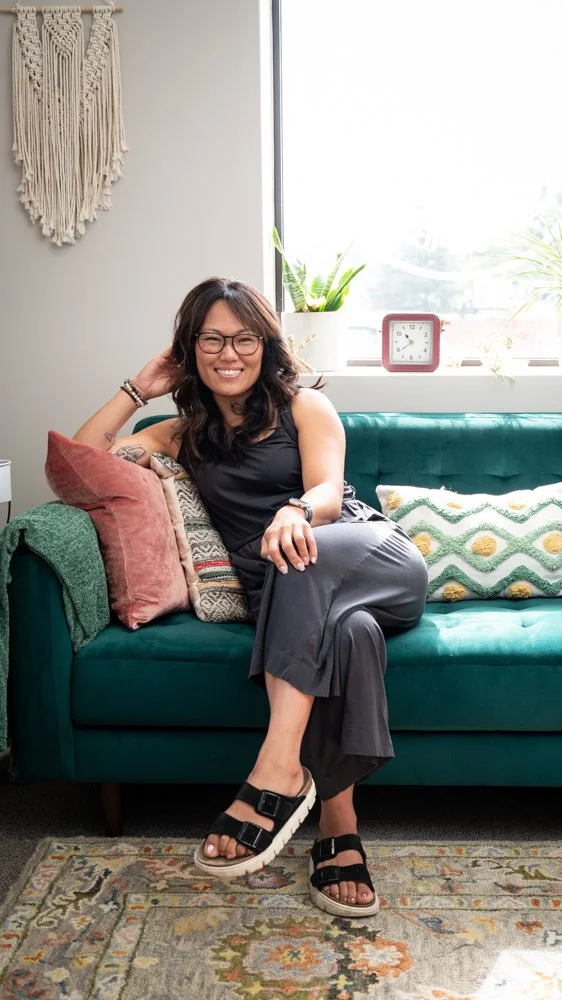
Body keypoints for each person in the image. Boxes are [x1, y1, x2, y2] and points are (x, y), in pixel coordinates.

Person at [73, 277, 428, 918]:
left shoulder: (304, 406)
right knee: (348, 634)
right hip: (293, 593)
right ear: (189, 349)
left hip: (369, 556)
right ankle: (338, 827)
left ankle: (277, 771)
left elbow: (327, 489)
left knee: (294, 554)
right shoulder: (178, 434)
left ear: (266, 346)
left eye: (244, 339)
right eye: (212, 339)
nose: (228, 353)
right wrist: (136, 390)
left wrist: (294, 511)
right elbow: (77, 465)